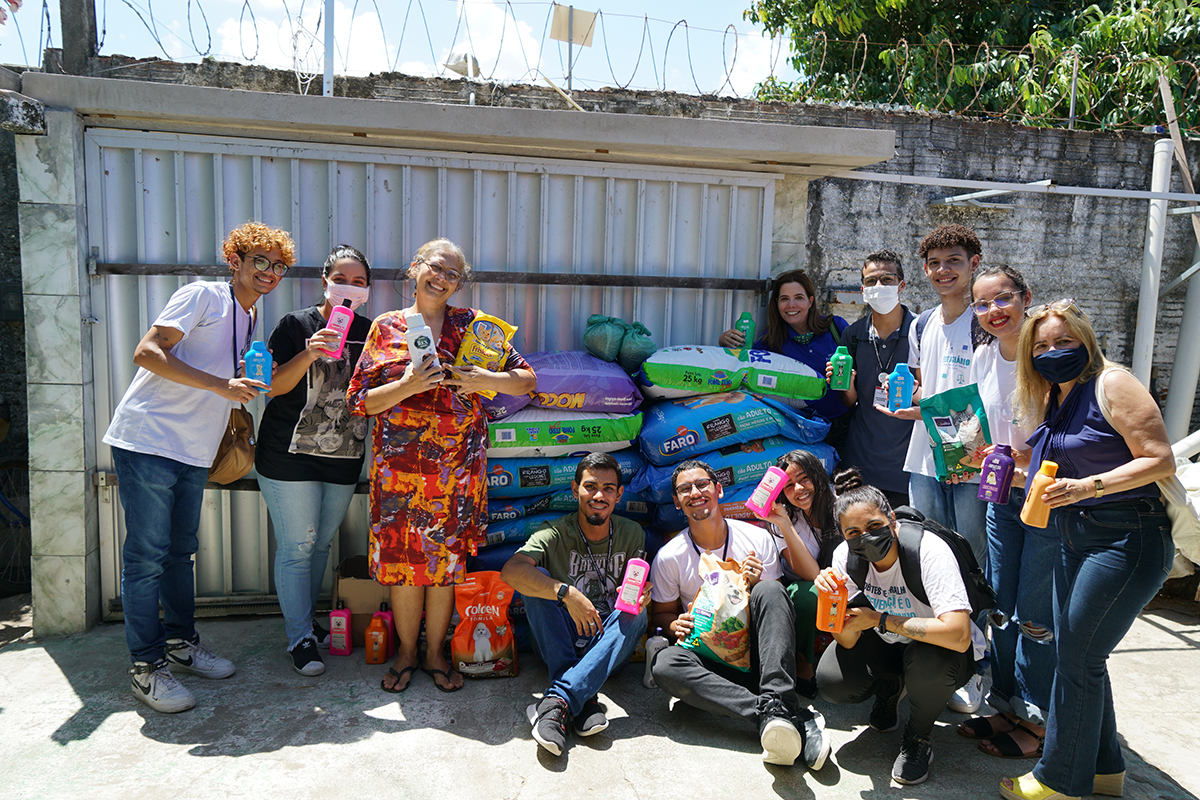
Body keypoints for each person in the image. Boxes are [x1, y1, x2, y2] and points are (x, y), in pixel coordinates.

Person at [102, 221, 294, 713]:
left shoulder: (248, 318)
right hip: (148, 440)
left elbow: (236, 383)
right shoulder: (202, 295)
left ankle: (180, 644)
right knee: (147, 556)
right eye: (259, 261)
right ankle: (146, 668)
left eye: (278, 265)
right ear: (236, 260)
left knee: (181, 551)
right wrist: (219, 386)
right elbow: (147, 352)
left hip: (193, 449)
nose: (269, 272)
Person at [999, 299, 1175, 800]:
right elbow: (1061, 470)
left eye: (1064, 342)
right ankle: (1103, 769)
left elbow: (1160, 460)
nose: (1053, 352)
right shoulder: (1059, 396)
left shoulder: (1112, 383)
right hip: (1077, 537)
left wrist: (1088, 488)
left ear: (1086, 342)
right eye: (1043, 346)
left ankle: (1059, 781)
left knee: (1075, 659)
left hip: (1126, 536)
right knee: (1082, 657)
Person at [347, 238, 536, 693]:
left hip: (456, 473)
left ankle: (435, 654)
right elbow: (359, 401)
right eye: (436, 268)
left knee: (445, 567)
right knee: (405, 565)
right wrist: (408, 385)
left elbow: (526, 380)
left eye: (454, 274)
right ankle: (407, 653)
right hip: (400, 473)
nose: (443, 279)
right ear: (415, 268)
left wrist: (482, 378)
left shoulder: (475, 328)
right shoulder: (387, 328)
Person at [649, 459, 830, 771]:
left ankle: (774, 702)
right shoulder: (669, 557)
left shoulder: (756, 539)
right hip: (712, 657)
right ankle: (780, 713)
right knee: (665, 664)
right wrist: (673, 623)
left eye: (702, 484)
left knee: (772, 590)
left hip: (760, 656)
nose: (694, 492)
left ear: (718, 490)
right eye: (684, 490)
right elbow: (662, 615)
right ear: (678, 503)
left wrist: (758, 581)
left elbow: (774, 610)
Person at [814, 468, 983, 786]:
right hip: (889, 643)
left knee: (928, 661)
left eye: (874, 526)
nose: (865, 537)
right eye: (853, 533)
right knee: (833, 681)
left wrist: (880, 620)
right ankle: (890, 688)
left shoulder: (928, 551)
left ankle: (918, 738)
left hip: (943, 651)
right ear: (843, 536)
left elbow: (958, 636)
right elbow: (848, 641)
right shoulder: (845, 559)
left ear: (892, 520)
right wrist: (831, 602)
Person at [256, 244, 373, 676]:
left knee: (321, 543)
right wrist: (309, 351)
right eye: (341, 279)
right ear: (324, 281)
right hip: (289, 454)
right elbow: (272, 386)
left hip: (344, 454)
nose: (349, 288)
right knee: (298, 545)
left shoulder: (370, 330)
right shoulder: (295, 325)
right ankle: (299, 637)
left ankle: (307, 622)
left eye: (359, 282)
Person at [957, 265, 1054, 760]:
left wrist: (1025, 460)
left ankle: (1038, 723)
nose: (994, 311)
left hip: (1045, 499)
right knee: (1002, 605)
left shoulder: (1048, 356)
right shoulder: (983, 356)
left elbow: (1070, 428)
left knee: (1036, 614)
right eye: (983, 304)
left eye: (1003, 299)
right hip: (999, 496)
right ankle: (1008, 705)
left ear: (1025, 297)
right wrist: (969, 445)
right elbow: (983, 416)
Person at [500, 453, 651, 757]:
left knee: (637, 614)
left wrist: (640, 596)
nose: (599, 495)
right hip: (562, 641)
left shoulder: (632, 533)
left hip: (607, 647)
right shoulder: (553, 532)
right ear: (574, 489)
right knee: (536, 580)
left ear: (620, 494)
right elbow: (511, 571)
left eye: (609, 488)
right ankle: (584, 700)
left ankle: (557, 702)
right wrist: (566, 593)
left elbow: (633, 594)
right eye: (591, 486)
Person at [881, 224, 988, 566]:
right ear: (925, 269)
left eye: (954, 260)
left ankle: (976, 621)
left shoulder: (987, 323)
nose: (944, 270)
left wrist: (924, 410)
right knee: (929, 549)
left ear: (975, 264)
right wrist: (906, 395)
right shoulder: (921, 324)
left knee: (973, 553)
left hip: (972, 455)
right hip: (925, 457)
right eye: (935, 262)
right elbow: (929, 388)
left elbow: (991, 394)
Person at [718, 270, 851, 447]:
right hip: (802, 428)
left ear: (810, 301)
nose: (791, 305)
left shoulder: (836, 327)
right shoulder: (769, 341)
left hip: (845, 425)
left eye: (799, 297)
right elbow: (744, 369)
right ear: (777, 304)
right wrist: (724, 343)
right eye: (784, 299)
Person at [828, 249, 916, 507]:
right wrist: (846, 384)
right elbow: (850, 403)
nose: (879, 286)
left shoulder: (921, 333)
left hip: (907, 469)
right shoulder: (854, 335)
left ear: (902, 285)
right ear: (863, 288)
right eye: (871, 281)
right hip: (861, 466)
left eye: (887, 279)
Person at [750, 449, 841, 698]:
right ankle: (803, 663)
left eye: (804, 478)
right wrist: (785, 525)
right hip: (807, 592)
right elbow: (812, 574)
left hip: (846, 588)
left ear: (818, 474)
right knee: (808, 593)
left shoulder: (842, 504)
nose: (799, 488)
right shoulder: (783, 518)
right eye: (789, 485)